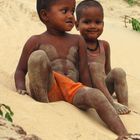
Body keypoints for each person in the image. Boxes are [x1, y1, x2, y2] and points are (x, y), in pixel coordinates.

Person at [14, 0, 138, 139]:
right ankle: (45, 110)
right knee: (38, 57)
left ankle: (124, 134)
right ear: (45, 15)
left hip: (72, 89)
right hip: (49, 88)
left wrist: (90, 92)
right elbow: (20, 70)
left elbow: (84, 71)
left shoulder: (78, 40)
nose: (71, 16)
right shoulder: (36, 40)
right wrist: (21, 88)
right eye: (64, 11)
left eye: (72, 11)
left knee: (96, 96)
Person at [75, 0, 130, 115]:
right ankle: (112, 104)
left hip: (104, 89)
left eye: (98, 22)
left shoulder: (104, 45)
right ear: (77, 25)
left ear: (103, 24)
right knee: (94, 66)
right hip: (88, 89)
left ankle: (124, 106)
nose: (93, 26)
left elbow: (107, 70)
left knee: (118, 71)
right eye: (87, 22)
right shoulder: (76, 44)